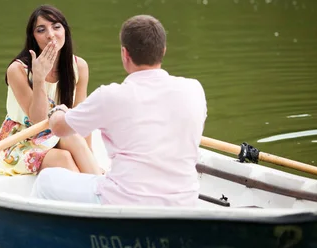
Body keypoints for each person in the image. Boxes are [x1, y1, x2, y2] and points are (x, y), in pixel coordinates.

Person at [31, 15, 207, 206]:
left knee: (46, 180)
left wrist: (58, 110)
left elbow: (58, 128)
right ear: (163, 51)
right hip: (184, 200)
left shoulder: (110, 96)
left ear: (125, 54)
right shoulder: (194, 89)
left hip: (125, 199)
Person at [0, 5, 101, 176]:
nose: (50, 35)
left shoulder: (79, 66)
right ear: (33, 37)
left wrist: (89, 156)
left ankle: (97, 187)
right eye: (41, 30)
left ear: (65, 30)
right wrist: (39, 78)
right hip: (23, 139)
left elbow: (81, 119)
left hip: (59, 135)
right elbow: (38, 120)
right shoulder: (18, 70)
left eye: (56, 27)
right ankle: (94, 191)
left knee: (70, 136)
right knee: (64, 158)